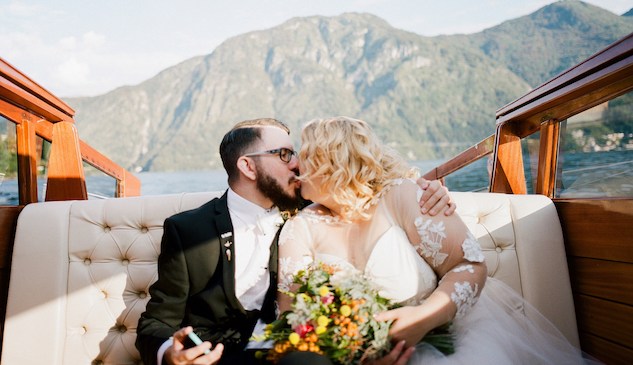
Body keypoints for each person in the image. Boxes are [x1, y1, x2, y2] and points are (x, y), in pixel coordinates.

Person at [278, 116, 600, 365]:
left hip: (446, 343)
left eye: (302, 154)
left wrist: (422, 318)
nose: (294, 165)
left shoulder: (402, 196)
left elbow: (469, 264)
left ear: (332, 161)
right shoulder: (299, 228)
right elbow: (293, 317)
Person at [136, 118, 454, 365]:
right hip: (223, 358)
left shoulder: (319, 208)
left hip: (310, 355)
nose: (298, 165)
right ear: (247, 166)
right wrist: (171, 355)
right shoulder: (188, 229)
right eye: (285, 154)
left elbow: (367, 188)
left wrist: (426, 191)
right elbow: (157, 323)